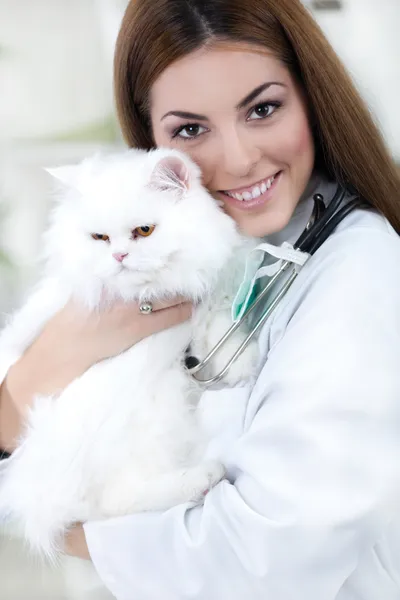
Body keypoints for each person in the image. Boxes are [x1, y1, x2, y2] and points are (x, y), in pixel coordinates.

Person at [1, 0, 400, 598]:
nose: (237, 160)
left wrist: (69, 533)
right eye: (190, 129)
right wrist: (45, 364)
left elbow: (263, 558)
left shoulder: (359, 271)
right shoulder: (169, 267)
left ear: (312, 98)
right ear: (151, 141)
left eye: (263, 109)